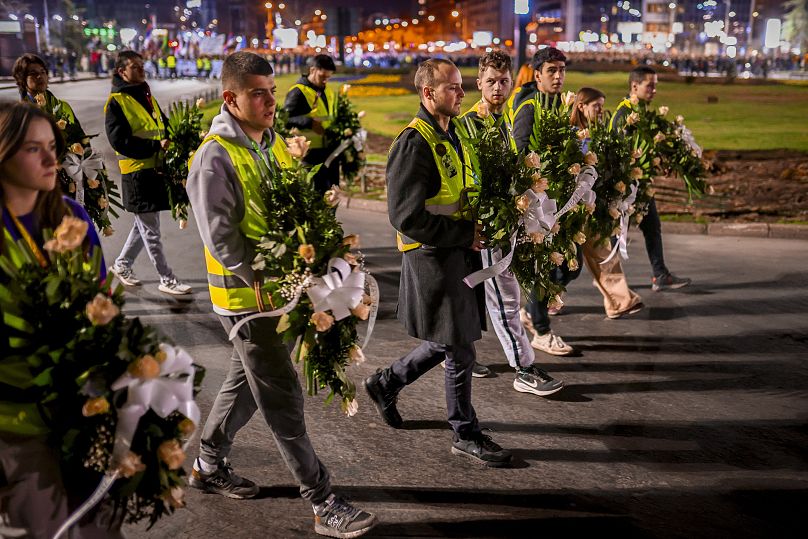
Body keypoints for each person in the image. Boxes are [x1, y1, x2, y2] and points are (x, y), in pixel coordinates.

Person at [185, 52, 375, 539]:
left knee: (245, 386)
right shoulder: (214, 156)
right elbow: (221, 238)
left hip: (280, 295)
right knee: (282, 395)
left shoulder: (267, 145)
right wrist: (282, 278)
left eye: (272, 90)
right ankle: (322, 501)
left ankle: (207, 464)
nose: (271, 101)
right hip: (248, 301)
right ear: (231, 99)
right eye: (258, 93)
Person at [363, 58, 512, 467]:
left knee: (450, 337)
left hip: (457, 251)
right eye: (453, 87)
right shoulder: (414, 142)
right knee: (460, 344)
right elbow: (405, 215)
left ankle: (386, 382)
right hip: (432, 254)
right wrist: (464, 235)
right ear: (428, 93)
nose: (462, 93)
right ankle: (464, 432)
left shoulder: (451, 133)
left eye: (462, 86)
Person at [0, 101, 117, 539]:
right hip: (15, 421)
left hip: (79, 408)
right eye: (35, 149)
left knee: (95, 525)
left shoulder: (73, 216)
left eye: (53, 146)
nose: (54, 159)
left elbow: (101, 305)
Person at [458, 50, 564, 396]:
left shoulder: (503, 121)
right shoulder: (470, 123)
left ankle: (458, 355)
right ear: (479, 84)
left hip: (505, 220)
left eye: (504, 81)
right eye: (491, 82)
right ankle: (523, 368)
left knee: (477, 293)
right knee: (504, 296)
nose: (498, 88)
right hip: (486, 225)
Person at [511, 47, 582, 357]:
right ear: (537, 74)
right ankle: (541, 331)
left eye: (561, 70)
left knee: (571, 264)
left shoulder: (560, 106)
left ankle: (531, 310)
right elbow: (521, 153)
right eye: (551, 71)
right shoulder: (529, 107)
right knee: (542, 267)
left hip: (562, 202)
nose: (558, 76)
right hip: (539, 204)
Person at [105, 50, 191, 295]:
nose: (142, 70)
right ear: (122, 72)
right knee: (151, 230)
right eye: (135, 66)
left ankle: (122, 265)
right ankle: (167, 278)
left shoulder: (145, 95)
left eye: (142, 65)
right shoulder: (116, 102)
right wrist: (155, 146)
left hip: (154, 170)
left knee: (143, 227)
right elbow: (118, 141)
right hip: (137, 174)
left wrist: (179, 139)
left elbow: (162, 125)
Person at [609, 66, 691, 292]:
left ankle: (660, 275)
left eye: (656, 85)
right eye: (650, 85)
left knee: (651, 226)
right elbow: (621, 152)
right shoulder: (625, 114)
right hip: (625, 187)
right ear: (635, 86)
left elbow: (645, 148)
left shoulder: (641, 111)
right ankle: (611, 283)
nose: (654, 90)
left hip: (640, 184)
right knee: (617, 234)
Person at [570, 87, 644, 319]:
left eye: (603, 105)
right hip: (577, 205)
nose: (601, 110)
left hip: (594, 203)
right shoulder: (574, 133)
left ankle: (619, 301)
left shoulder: (596, 132)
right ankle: (534, 309)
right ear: (581, 106)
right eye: (596, 106)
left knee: (601, 249)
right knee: (578, 263)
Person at [283, 54, 340, 194]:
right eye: (323, 76)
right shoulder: (298, 91)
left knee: (332, 195)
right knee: (318, 196)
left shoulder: (322, 90)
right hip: (310, 156)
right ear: (313, 70)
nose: (326, 81)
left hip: (327, 152)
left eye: (328, 77)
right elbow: (284, 120)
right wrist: (309, 123)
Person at [12, 53, 86, 140]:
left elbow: (81, 140)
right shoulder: (19, 114)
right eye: (33, 73)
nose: (40, 76)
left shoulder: (62, 107)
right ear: (22, 79)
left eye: (43, 72)